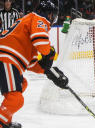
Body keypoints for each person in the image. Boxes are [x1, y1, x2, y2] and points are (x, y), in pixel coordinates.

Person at [0, 0, 69, 128]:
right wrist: (49, 53)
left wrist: (47, 71)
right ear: (50, 15)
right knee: (16, 99)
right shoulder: (39, 19)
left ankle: (5, 121)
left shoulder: (29, 23)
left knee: (21, 84)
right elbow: (41, 41)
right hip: (6, 58)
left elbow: (30, 63)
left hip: (8, 57)